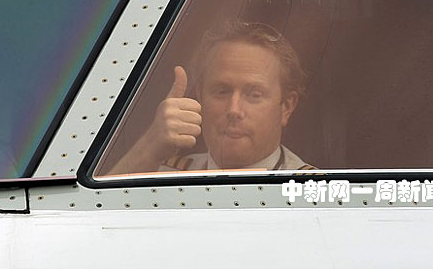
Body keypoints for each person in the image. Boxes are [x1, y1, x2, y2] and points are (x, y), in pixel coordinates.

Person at [112, 21, 313, 174]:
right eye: (222, 91)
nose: (234, 110)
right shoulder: (162, 173)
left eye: (254, 95)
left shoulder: (316, 189)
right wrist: (150, 147)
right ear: (200, 97)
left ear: (287, 107)